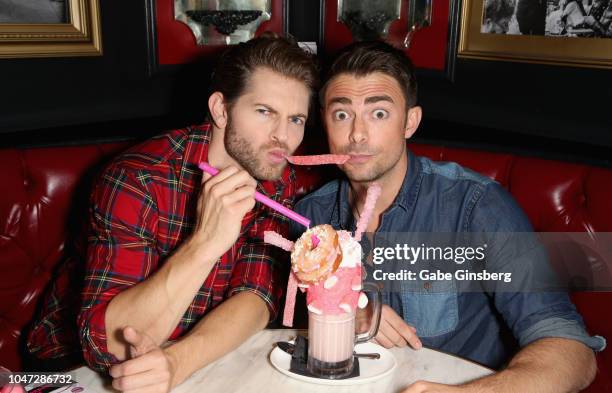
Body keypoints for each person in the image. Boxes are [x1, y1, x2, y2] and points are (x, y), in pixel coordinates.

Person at [291, 41, 606, 393]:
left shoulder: (475, 208)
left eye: (378, 113)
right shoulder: (310, 221)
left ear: (410, 122)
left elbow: (573, 350)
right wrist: (348, 312)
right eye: (342, 114)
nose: (357, 134)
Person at [27, 33, 318, 392]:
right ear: (221, 109)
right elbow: (107, 348)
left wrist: (179, 361)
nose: (283, 137)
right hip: (67, 370)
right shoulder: (137, 178)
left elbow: (257, 295)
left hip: (186, 353)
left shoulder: (275, 176)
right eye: (264, 112)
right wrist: (206, 242)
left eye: (296, 120)